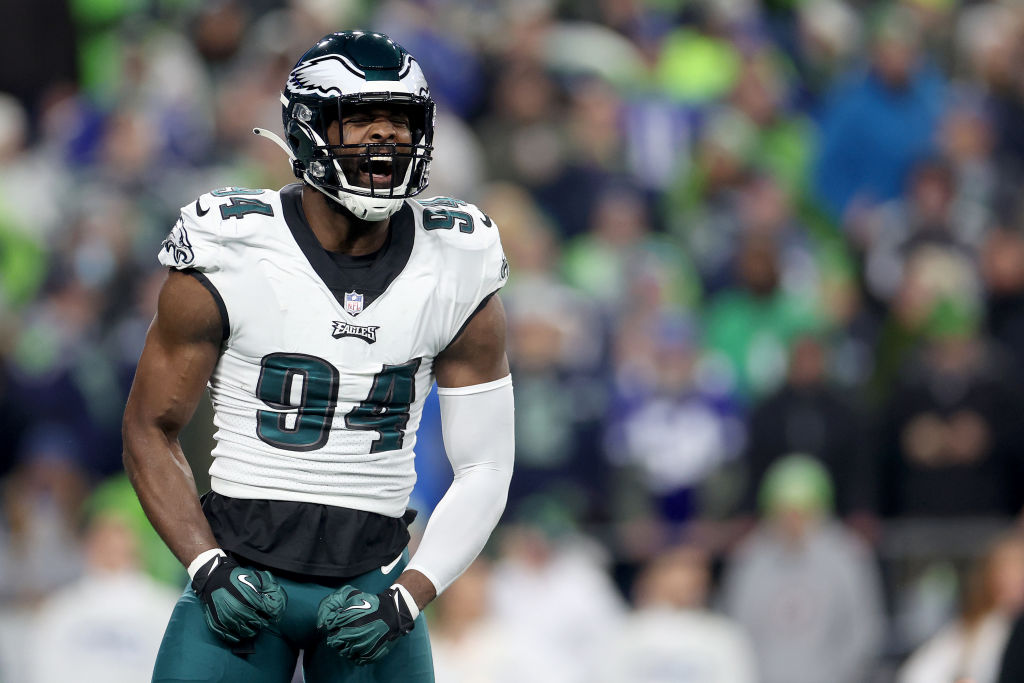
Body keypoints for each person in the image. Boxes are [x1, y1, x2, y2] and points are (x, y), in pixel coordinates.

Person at [122, 31, 515, 683]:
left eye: (400, 120)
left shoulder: (458, 256)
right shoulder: (233, 243)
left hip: (373, 586)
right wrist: (204, 565)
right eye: (361, 118)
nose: (385, 138)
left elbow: (485, 464)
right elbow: (149, 425)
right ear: (307, 128)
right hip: (239, 574)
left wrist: (410, 594)